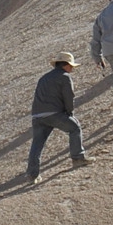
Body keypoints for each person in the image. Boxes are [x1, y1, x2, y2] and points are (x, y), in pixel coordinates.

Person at [27, 51, 88, 183]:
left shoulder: (43, 78)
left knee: (37, 144)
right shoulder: (65, 77)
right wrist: (69, 112)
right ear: (66, 65)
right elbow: (68, 97)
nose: (72, 69)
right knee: (75, 128)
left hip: (37, 115)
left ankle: (32, 175)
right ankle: (78, 157)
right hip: (54, 114)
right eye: (71, 66)